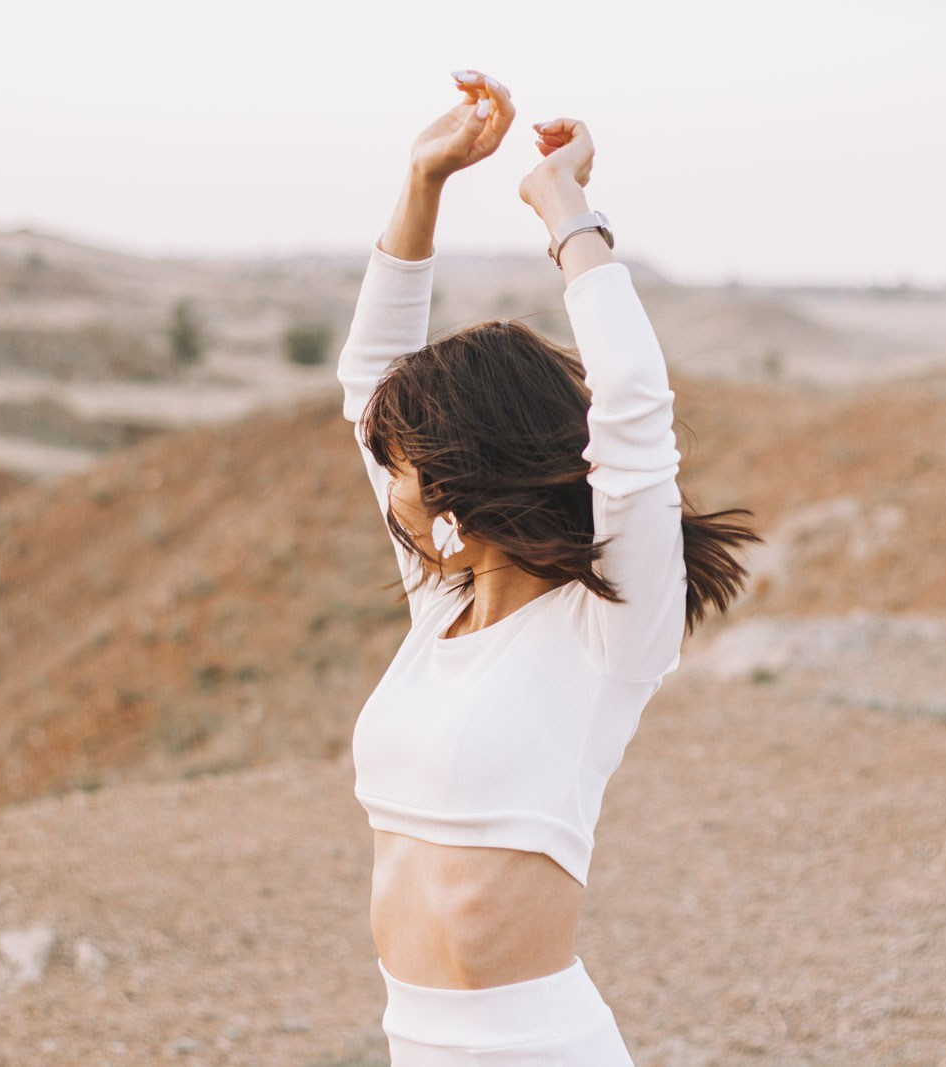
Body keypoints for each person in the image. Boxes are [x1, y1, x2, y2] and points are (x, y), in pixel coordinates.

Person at [336, 68, 762, 1065]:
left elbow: (631, 413)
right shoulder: (438, 606)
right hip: (415, 1042)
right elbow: (369, 379)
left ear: (453, 481)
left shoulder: (606, 628)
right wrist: (423, 178)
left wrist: (567, 208)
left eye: (397, 461)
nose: (380, 473)